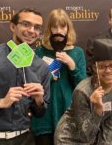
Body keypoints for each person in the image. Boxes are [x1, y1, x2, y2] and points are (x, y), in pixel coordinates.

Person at [0, 8, 50, 145]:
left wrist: (39, 101)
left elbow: (40, 113)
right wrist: (0, 102)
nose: (32, 31)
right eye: (26, 24)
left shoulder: (42, 66)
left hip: (25, 139)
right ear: (13, 26)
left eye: (37, 27)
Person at [54, 39, 112, 144]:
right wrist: (97, 110)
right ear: (94, 68)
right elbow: (85, 135)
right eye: (102, 66)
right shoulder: (83, 91)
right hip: (69, 138)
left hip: (92, 139)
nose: (108, 71)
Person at [31, 9, 86, 145]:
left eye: (62, 26)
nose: (59, 30)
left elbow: (84, 88)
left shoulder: (77, 52)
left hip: (69, 115)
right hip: (45, 116)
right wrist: (48, 76)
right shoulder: (40, 51)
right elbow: (34, 82)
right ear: (49, 29)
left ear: (68, 28)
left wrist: (72, 66)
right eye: (54, 26)